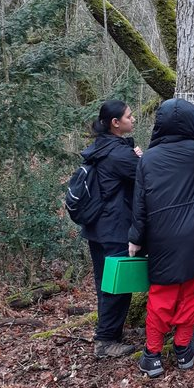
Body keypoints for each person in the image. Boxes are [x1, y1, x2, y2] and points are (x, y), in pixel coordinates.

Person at [128, 98, 194, 378]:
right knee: (190, 293)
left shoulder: (148, 159)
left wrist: (135, 238)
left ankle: (152, 356)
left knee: (161, 296)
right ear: (193, 123)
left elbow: (139, 203)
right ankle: (184, 348)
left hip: (163, 240)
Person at [81, 100, 142, 359]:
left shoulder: (102, 147)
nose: (133, 119)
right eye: (129, 116)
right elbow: (147, 175)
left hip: (97, 226)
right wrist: (138, 157)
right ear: (115, 123)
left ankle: (107, 334)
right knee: (117, 284)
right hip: (114, 228)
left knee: (105, 282)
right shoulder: (118, 154)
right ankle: (106, 340)